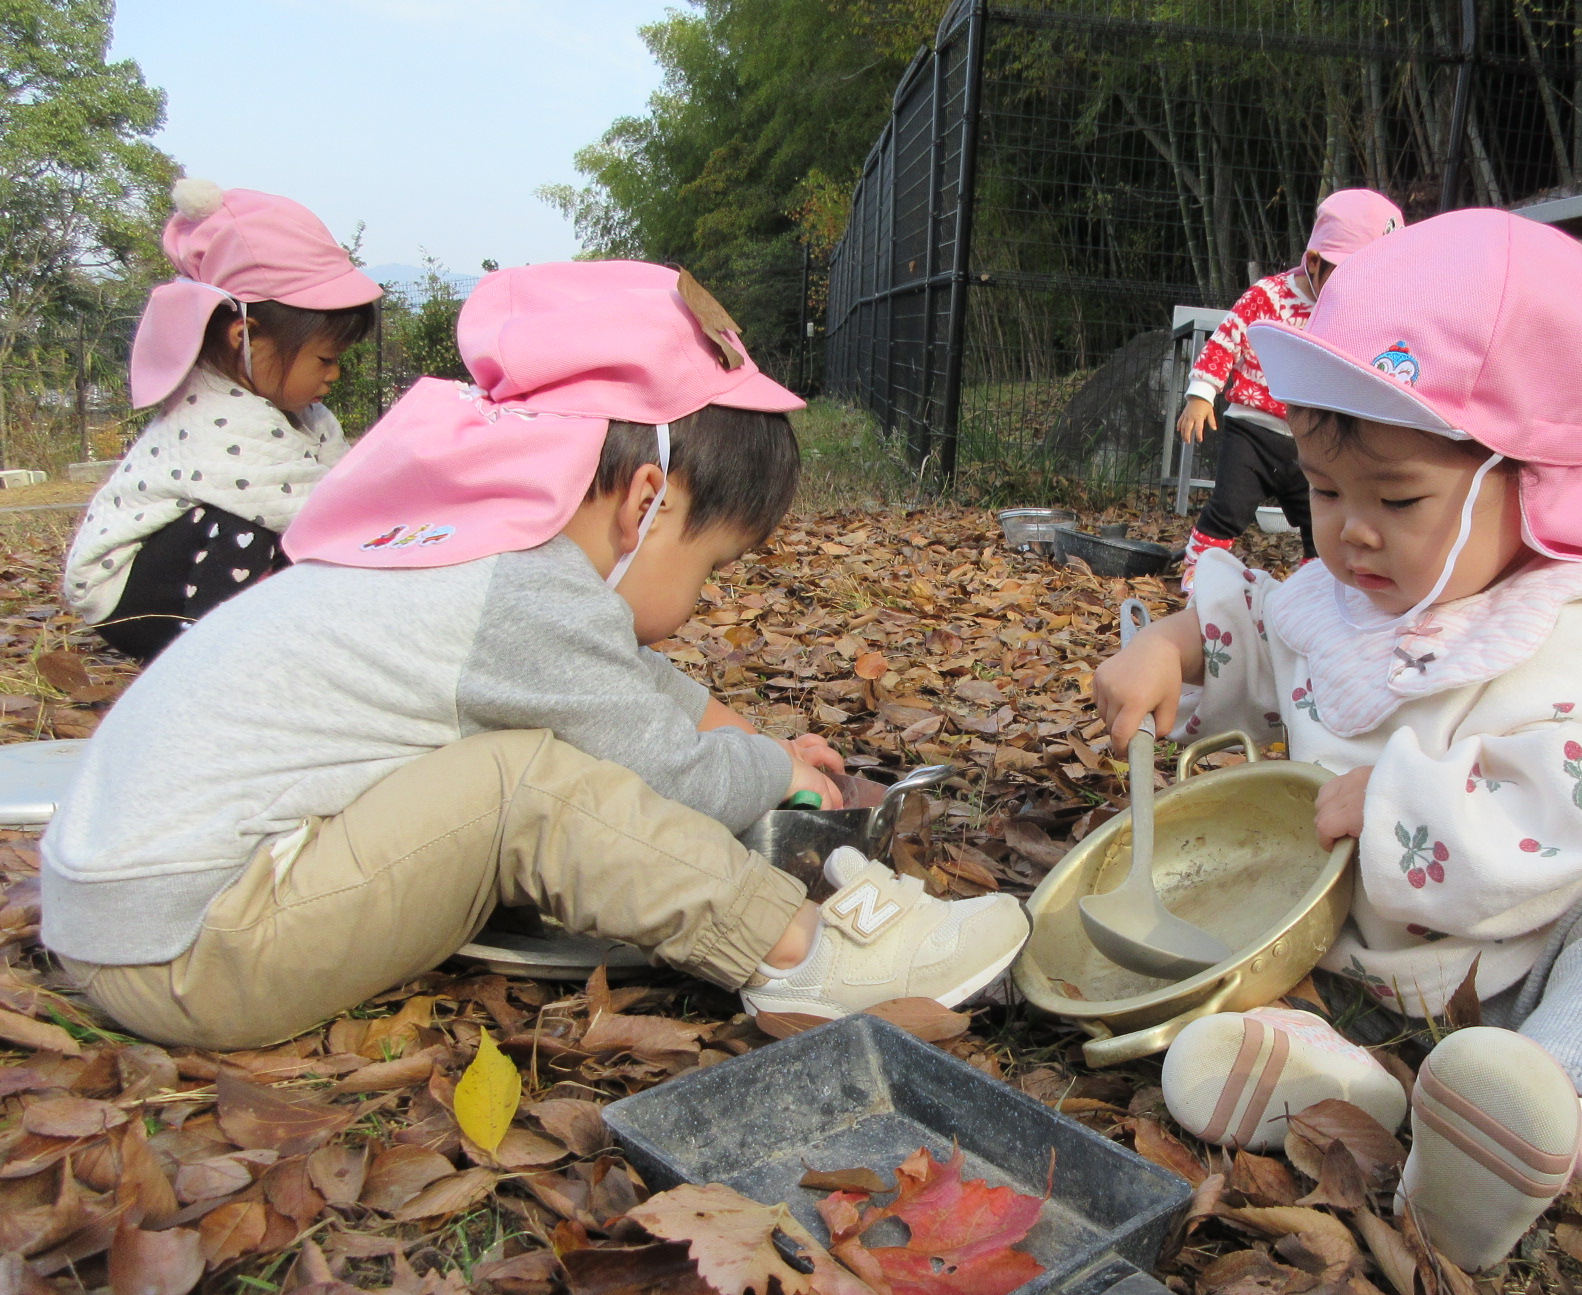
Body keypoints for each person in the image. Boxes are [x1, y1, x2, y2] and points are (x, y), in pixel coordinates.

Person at [40, 261, 1028, 1050]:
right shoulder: (524, 596)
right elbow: (673, 776)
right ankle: (807, 957)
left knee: (526, 759)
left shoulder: (468, 556)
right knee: (523, 783)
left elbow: (629, 680)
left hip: (126, 916)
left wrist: (763, 743)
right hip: (196, 947)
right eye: (713, 564)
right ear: (648, 501)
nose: (702, 602)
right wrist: (764, 766)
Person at [1097, 210, 1582, 1272]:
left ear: (1531, 485)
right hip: (1348, 950)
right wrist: (1174, 643)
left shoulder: (1568, 629)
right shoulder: (1345, 590)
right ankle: (1353, 1083)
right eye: (1327, 490)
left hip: (1525, 956)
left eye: (1396, 497)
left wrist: (1399, 802)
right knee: (1257, 926)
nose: (1348, 531)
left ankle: (1539, 1101)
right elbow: (1267, 630)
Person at [64, 179, 382, 661]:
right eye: (325, 359)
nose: (334, 374)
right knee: (246, 520)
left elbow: (343, 482)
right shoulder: (216, 415)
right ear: (245, 337)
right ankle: (216, 658)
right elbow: (323, 509)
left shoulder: (305, 415)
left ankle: (251, 637)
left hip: (186, 578)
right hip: (131, 600)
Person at [1176, 188, 1405, 590]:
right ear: (1314, 262)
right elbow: (1227, 338)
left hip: (1313, 439)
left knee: (1318, 518)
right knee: (1229, 508)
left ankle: (1316, 586)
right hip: (1253, 429)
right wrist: (1201, 393)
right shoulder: (1268, 296)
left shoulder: (1357, 315)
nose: (1355, 290)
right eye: (1347, 276)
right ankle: (1198, 570)